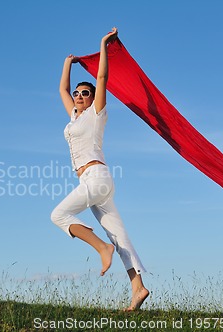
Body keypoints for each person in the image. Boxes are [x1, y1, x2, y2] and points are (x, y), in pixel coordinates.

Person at [50, 27, 149, 311]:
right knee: (120, 237)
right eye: (79, 93)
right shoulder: (74, 117)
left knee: (59, 214)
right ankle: (138, 288)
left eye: (85, 93)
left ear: (93, 98)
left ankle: (101, 248)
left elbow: (102, 77)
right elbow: (62, 89)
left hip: (96, 179)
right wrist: (67, 63)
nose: (79, 96)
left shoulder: (96, 114)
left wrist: (103, 45)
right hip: (96, 184)